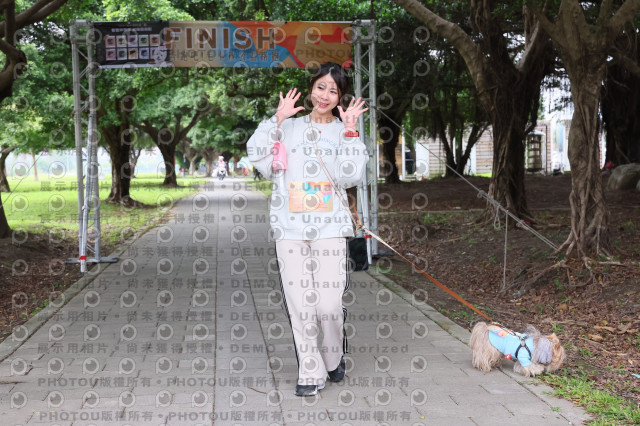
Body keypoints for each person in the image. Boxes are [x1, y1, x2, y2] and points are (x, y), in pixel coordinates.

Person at [247, 62, 368, 396]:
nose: (325, 96)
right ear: (311, 88)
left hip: (329, 228)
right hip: (290, 228)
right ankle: (310, 372)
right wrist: (277, 118)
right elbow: (257, 155)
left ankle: (333, 356)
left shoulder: (343, 130)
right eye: (320, 87)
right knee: (300, 305)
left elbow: (350, 175)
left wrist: (351, 132)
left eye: (333, 91)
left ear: (341, 97)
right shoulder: (288, 127)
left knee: (328, 306)